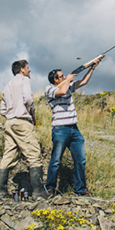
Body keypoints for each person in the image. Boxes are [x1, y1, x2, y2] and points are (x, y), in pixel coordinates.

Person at [44, 56, 102, 196]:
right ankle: (50, 188)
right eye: (61, 76)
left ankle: (80, 189)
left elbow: (84, 81)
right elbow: (62, 92)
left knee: (80, 160)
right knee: (56, 160)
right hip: (60, 130)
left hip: (74, 129)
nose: (64, 77)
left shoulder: (67, 85)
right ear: (55, 80)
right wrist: (69, 79)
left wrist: (92, 67)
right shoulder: (50, 89)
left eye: (64, 76)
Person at [0, 59, 49, 199]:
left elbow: (2, 109)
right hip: (22, 121)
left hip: (9, 122)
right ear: (22, 70)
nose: (29, 70)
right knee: (33, 154)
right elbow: (28, 99)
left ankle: (2, 192)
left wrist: (10, 114)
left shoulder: (7, 85)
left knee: (9, 154)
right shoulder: (24, 80)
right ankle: (38, 192)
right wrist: (31, 114)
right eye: (27, 68)